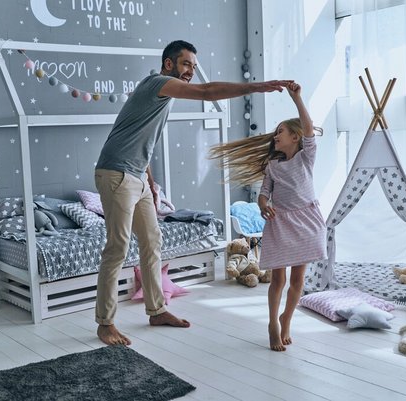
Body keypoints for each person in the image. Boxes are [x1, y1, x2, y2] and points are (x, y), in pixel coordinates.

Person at [94, 39, 293, 346]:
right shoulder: (157, 83)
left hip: (138, 175)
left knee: (152, 241)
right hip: (116, 173)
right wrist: (257, 87)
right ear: (169, 64)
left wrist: (150, 182)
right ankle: (105, 323)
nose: (190, 71)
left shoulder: (164, 94)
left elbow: (140, 140)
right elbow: (206, 91)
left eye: (194, 66)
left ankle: (156, 310)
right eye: (186, 64)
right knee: (117, 248)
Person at [209, 82, 326, 351]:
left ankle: (287, 319)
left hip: (307, 223)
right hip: (280, 223)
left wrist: (297, 99)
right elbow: (264, 193)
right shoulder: (272, 166)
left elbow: (308, 128)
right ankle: (273, 323)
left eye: (280, 132)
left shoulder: (306, 157)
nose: (275, 136)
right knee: (278, 280)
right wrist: (263, 205)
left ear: (295, 137)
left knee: (297, 280)